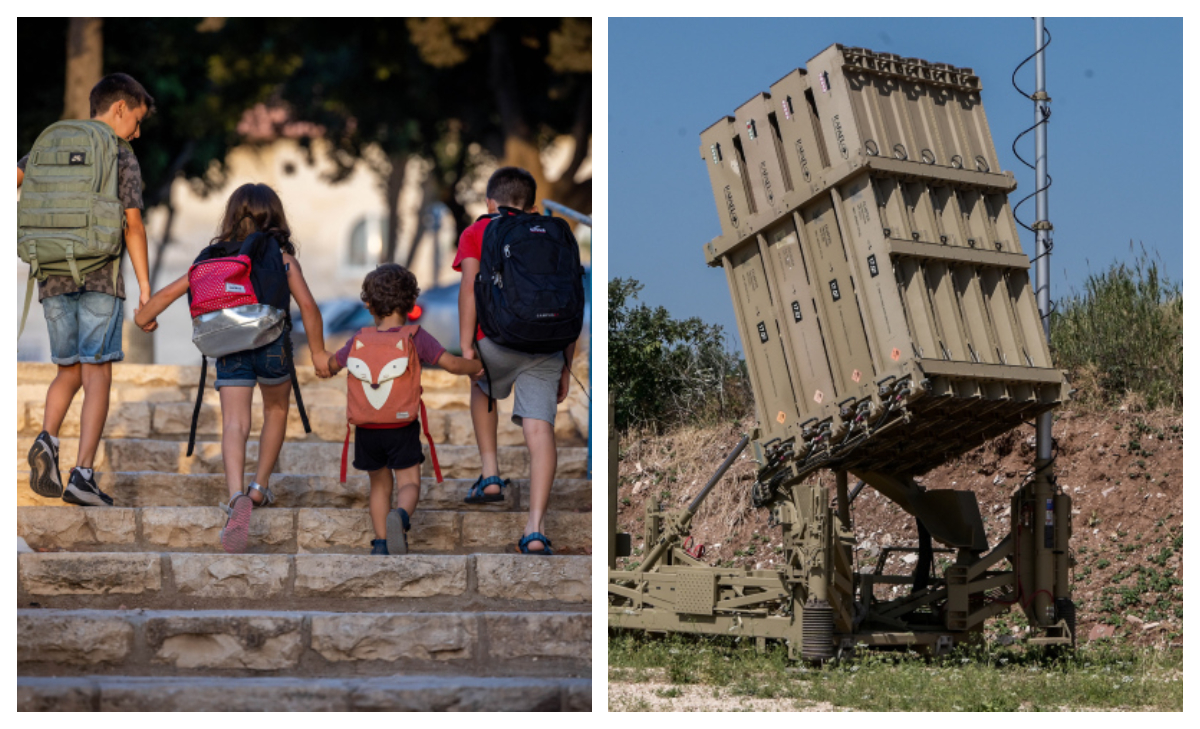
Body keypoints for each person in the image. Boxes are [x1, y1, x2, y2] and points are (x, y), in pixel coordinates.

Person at [135, 183, 332, 553]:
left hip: (229, 346)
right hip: (273, 344)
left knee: (235, 424)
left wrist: (144, 317)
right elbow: (308, 307)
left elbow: (166, 295)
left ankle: (235, 495)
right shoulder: (282, 258)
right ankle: (259, 488)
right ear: (275, 217)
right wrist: (319, 354)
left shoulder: (211, 259)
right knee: (275, 410)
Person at [20, 73, 155, 507]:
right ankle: (82, 475)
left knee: (68, 368)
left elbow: (15, 176)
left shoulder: (53, 145)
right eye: (135, 120)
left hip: (53, 273)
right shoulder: (120, 153)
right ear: (119, 108)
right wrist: (146, 290)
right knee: (98, 372)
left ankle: (48, 438)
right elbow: (132, 224)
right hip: (99, 275)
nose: (136, 131)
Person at [454, 166, 576, 555]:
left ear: (491, 202)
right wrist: (567, 365)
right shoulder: (557, 233)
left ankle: (491, 475)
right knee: (540, 432)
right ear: (533, 204)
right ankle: (535, 529)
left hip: (498, 341)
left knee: (482, 388)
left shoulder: (479, 231)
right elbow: (571, 298)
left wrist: (467, 347)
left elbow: (470, 291)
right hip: (549, 347)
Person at [325, 264, 483, 555]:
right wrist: (477, 367)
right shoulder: (415, 337)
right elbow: (451, 363)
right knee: (409, 482)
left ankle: (382, 543)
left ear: (368, 304)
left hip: (367, 428)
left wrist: (322, 359)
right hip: (401, 427)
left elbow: (330, 366)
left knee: (379, 486)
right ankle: (400, 516)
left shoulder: (358, 339)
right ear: (411, 303)